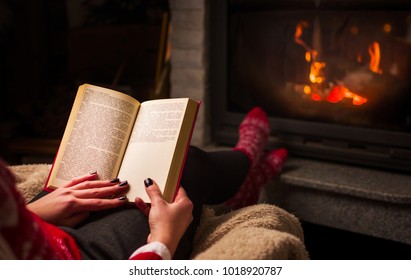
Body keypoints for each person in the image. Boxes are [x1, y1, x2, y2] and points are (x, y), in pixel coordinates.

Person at [0, 107, 288, 260]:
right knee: (176, 171)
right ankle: (247, 161)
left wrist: (31, 214)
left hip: (37, 235)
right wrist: (163, 240)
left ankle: (247, 174)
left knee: (99, 176)